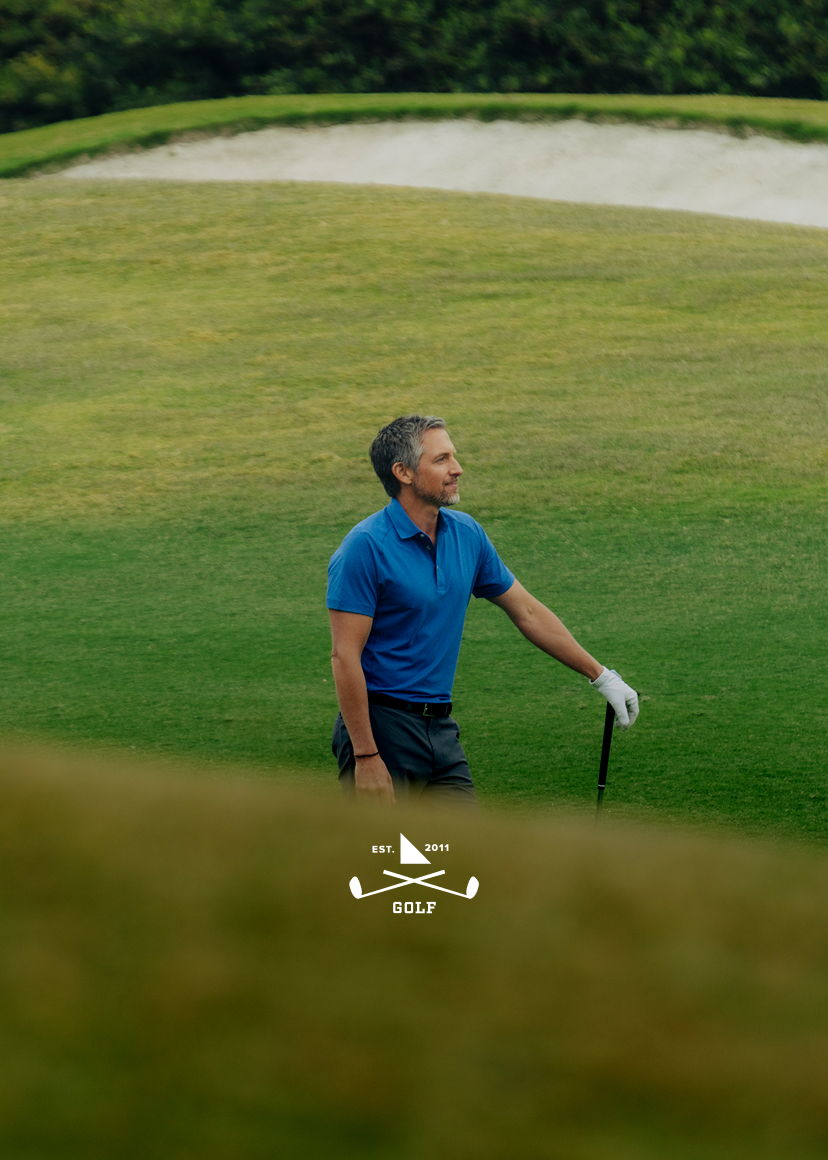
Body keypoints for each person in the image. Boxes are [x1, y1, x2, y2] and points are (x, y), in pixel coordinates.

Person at [326, 415, 639, 805]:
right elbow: (344, 656)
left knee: (461, 860)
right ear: (403, 472)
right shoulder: (365, 547)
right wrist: (366, 756)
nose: (457, 469)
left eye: (453, 457)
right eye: (441, 460)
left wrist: (600, 675)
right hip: (382, 729)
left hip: (440, 729)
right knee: (382, 862)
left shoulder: (466, 533)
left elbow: (526, 611)